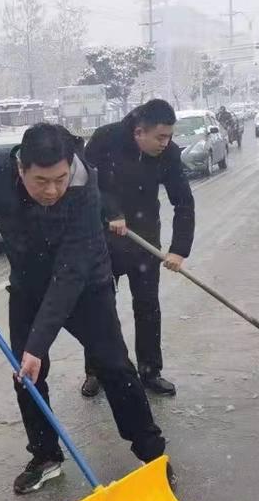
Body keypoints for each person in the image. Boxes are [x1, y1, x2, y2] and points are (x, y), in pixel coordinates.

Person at [0, 123, 166, 494]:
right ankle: (46, 456)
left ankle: (152, 454)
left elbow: (71, 271)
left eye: (60, 178)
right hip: (28, 286)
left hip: (85, 285)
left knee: (115, 367)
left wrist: (38, 344)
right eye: (42, 180)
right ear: (20, 168)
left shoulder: (83, 187)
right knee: (26, 375)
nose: (53, 189)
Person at [80, 99, 195, 400]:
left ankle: (149, 370)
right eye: (160, 137)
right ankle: (96, 370)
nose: (166, 143)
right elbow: (86, 184)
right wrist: (112, 210)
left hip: (144, 240)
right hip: (103, 240)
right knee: (100, 309)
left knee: (147, 307)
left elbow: (183, 201)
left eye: (169, 136)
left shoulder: (167, 154)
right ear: (138, 132)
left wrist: (179, 250)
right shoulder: (106, 139)